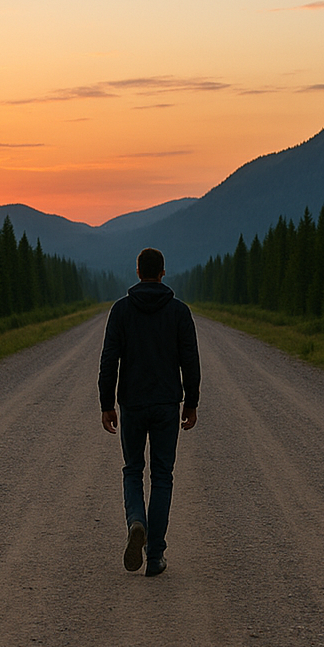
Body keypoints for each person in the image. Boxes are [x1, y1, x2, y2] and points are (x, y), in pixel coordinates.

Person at [98, 247, 200, 577]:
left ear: (138, 272)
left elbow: (109, 360)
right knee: (162, 476)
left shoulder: (121, 310)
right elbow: (190, 362)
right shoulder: (179, 312)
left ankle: (136, 522)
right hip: (167, 404)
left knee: (132, 470)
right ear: (162, 273)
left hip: (132, 404)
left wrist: (106, 404)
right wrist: (192, 402)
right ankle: (155, 556)